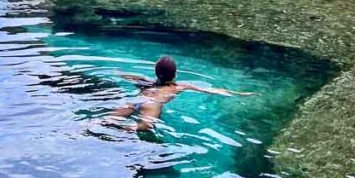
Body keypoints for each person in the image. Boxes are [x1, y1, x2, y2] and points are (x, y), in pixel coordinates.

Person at [101, 55, 252, 132]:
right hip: (152, 104)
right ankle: (126, 129)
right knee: (144, 127)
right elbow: (210, 90)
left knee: (107, 119)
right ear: (175, 74)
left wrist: (116, 71)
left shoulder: (145, 81)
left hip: (137, 99)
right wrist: (237, 93)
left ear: (156, 72)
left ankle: (93, 124)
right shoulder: (179, 86)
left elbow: (128, 76)